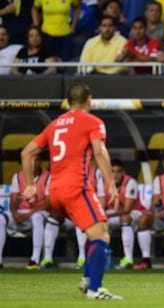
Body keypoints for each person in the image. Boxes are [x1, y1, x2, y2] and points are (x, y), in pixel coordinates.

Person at [21, 82, 122, 300]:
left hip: (54, 190)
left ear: (68, 102)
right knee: (102, 235)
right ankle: (96, 289)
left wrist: (30, 184)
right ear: (89, 100)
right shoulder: (93, 121)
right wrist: (111, 183)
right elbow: (99, 151)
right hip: (76, 187)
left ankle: (87, 279)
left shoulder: (54, 124)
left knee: (93, 230)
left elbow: (27, 152)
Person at [40, 165, 102, 269]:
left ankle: (82, 257)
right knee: (53, 217)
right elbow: (49, 200)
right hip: (67, 215)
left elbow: (101, 199)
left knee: (81, 215)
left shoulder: (95, 173)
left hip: (86, 214)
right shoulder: (55, 175)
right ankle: (47, 258)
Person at [98, 159, 150, 270]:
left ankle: (128, 258)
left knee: (125, 218)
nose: (115, 175)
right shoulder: (103, 182)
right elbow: (102, 205)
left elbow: (127, 209)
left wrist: (108, 216)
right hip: (114, 213)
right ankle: (98, 258)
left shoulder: (130, 182)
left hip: (135, 212)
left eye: (118, 172)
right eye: (112, 171)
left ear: (123, 173)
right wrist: (102, 216)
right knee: (96, 221)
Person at [0, 155, 50, 269]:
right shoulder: (17, 176)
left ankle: (35, 259)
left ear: (40, 162)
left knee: (37, 217)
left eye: (35, 160)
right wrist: (15, 214)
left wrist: (27, 215)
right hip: (21, 213)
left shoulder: (48, 176)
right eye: (29, 160)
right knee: (1, 218)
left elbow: (48, 203)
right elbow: (13, 200)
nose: (32, 163)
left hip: (40, 212)